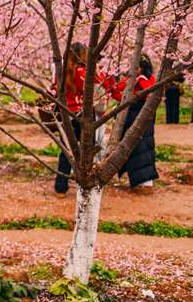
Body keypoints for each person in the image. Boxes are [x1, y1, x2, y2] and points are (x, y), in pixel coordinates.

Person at [52, 43, 114, 195]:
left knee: (66, 151)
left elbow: (54, 88)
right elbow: (99, 81)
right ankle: (86, 183)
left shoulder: (60, 72)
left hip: (66, 114)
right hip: (83, 115)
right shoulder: (84, 72)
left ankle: (61, 187)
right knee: (87, 151)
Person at [112, 55, 158, 191]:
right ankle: (136, 182)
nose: (134, 70)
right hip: (130, 119)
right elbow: (116, 91)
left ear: (143, 68)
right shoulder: (131, 81)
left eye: (137, 67)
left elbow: (151, 94)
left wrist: (141, 80)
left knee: (143, 149)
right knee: (132, 150)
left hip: (144, 121)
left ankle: (144, 183)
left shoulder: (150, 80)